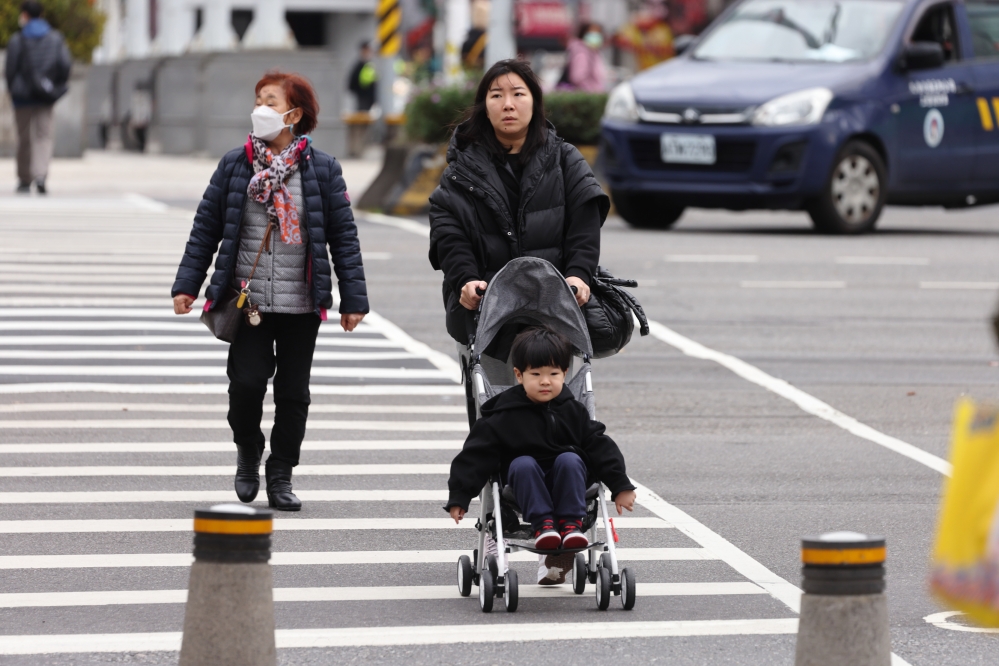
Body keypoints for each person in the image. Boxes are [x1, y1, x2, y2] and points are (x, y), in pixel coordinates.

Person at [171, 71, 368, 511]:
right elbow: (205, 229)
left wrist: (354, 299)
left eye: (271, 101)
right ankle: (248, 451)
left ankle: (280, 473)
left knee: (293, 393)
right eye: (258, 99)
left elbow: (344, 238)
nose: (260, 108)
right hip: (249, 301)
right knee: (245, 385)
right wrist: (187, 285)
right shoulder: (235, 164)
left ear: (293, 114)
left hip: (301, 302)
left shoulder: (323, 170)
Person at [428, 59, 610, 346]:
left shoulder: (566, 160)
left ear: (535, 103)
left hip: (556, 313)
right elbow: (449, 234)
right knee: (493, 389)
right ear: (485, 107)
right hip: (486, 315)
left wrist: (578, 276)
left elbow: (584, 227)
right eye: (496, 95)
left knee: (552, 388)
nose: (508, 104)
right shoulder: (460, 172)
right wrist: (466, 280)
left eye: (518, 94)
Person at [445, 327, 637, 551]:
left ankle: (571, 526)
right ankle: (544, 525)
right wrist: (460, 495)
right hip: (522, 486)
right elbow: (476, 455)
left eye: (553, 374)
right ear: (519, 375)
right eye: (536, 374)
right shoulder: (503, 414)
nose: (545, 381)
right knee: (523, 462)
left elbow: (600, 447)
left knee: (570, 459)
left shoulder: (572, 410)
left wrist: (620, 486)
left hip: (568, 482)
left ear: (564, 374)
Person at [4, 0, 72, 195]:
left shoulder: (17, 39)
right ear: (41, 15)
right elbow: (65, 65)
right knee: (44, 136)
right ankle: (41, 176)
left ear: (24, 14)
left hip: (22, 97)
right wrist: (54, 86)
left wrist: (13, 89)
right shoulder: (55, 38)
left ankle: (25, 179)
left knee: (24, 138)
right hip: (45, 95)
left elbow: (10, 69)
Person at [561, 22, 608, 92]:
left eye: (598, 33)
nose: (596, 35)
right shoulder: (581, 53)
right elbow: (577, 77)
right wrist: (591, 90)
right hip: (586, 96)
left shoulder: (594, 52)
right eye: (593, 33)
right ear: (584, 34)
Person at [347, 41, 377, 112]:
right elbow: (352, 83)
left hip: (370, 99)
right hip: (363, 98)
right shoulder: (359, 66)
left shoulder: (370, 65)